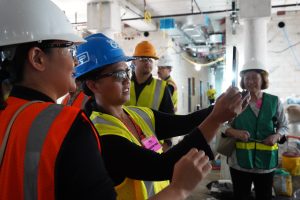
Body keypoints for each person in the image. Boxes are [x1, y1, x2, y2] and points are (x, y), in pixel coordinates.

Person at [0, 1, 221, 200]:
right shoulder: (68, 127)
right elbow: (159, 167)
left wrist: (217, 113)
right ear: (38, 58)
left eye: (126, 72)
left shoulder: (8, 117)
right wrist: (179, 189)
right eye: (69, 49)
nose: (75, 63)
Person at [74, 33, 247, 200]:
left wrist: (219, 107)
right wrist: (216, 118)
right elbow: (162, 166)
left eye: (127, 72)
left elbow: (186, 122)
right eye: (118, 74)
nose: (127, 80)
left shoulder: (138, 113)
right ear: (93, 84)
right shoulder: (100, 134)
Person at [222, 59, 288, 200]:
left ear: (262, 79)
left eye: (254, 78)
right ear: (243, 81)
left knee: (264, 196)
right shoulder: (235, 100)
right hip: (239, 162)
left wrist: (276, 136)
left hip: (266, 162)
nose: (250, 81)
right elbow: (221, 125)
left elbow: (284, 126)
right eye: (247, 78)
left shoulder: (274, 101)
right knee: (241, 196)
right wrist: (234, 132)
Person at [127, 41, 175, 150]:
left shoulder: (162, 87)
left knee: (154, 166)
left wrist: (167, 143)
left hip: (152, 141)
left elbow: (169, 117)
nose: (148, 62)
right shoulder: (125, 84)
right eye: (144, 59)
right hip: (127, 137)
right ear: (134, 61)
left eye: (150, 59)